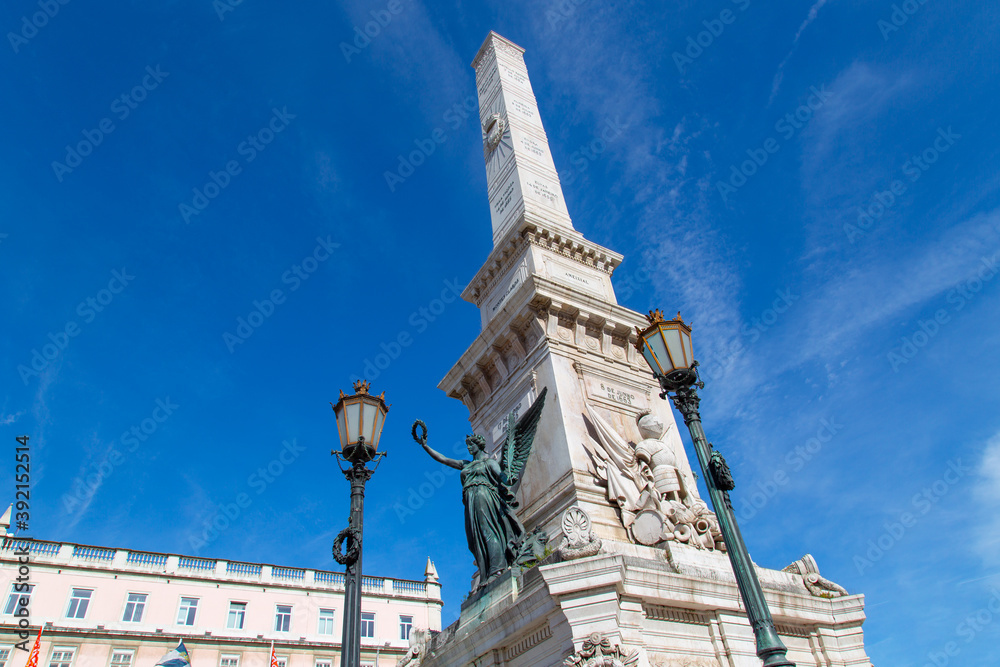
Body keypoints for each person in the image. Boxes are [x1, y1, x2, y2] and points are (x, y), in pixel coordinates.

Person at [417, 432, 525, 586]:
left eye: (471, 444)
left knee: (487, 531)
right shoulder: (466, 464)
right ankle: (487, 571)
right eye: (467, 444)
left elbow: (502, 476)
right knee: (474, 538)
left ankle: (497, 569)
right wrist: (426, 446)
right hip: (471, 501)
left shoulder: (488, 463)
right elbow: (444, 459)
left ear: (479, 445)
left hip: (483, 497)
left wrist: (508, 477)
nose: (468, 447)